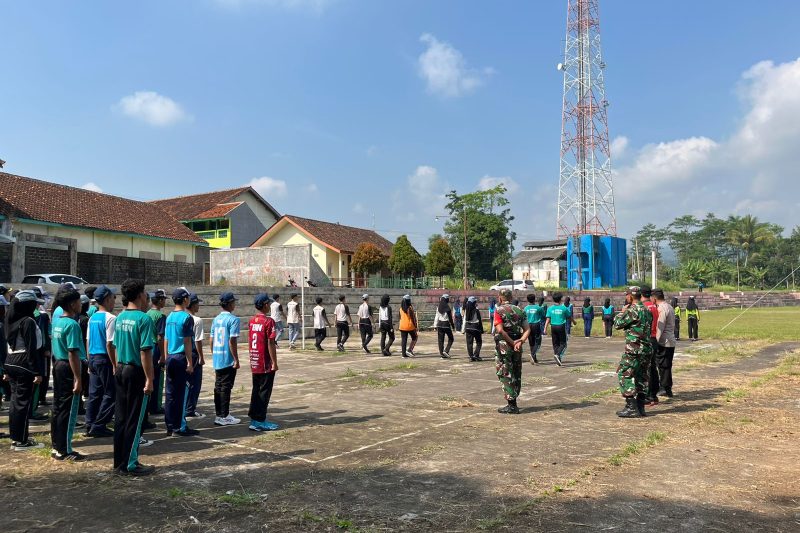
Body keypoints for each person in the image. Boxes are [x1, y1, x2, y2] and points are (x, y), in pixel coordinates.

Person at [112, 278, 156, 475]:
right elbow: (145, 352)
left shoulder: (120, 317)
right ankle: (130, 463)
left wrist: (115, 366)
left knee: (121, 417)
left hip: (121, 368)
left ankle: (119, 462)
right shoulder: (143, 319)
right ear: (139, 295)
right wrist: (149, 378)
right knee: (135, 418)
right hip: (135, 371)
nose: (147, 297)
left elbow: (112, 346)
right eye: (145, 293)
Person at [3, 290, 45, 450]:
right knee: (23, 404)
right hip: (23, 363)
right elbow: (31, 349)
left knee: (15, 402)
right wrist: (37, 372)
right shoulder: (27, 321)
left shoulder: (10, 320)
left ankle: (16, 438)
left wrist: (5, 369)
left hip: (11, 361)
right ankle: (21, 441)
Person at [50, 285, 87, 460]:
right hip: (68, 366)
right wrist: (78, 378)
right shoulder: (72, 325)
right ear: (73, 304)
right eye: (79, 301)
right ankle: (65, 450)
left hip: (58, 364)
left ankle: (56, 445)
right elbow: (73, 352)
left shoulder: (58, 321)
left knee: (58, 407)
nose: (81, 304)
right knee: (68, 409)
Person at [613, 286, 653, 418]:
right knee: (642, 377)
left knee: (625, 374)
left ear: (630, 296)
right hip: (646, 349)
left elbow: (618, 324)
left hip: (634, 349)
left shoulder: (632, 310)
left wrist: (621, 312)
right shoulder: (647, 310)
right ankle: (641, 407)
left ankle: (631, 406)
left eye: (627, 295)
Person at [164, 288, 197, 437]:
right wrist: (190, 362)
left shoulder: (170, 316)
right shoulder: (186, 317)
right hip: (181, 357)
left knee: (170, 394)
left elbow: (166, 339)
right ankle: (180, 426)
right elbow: (187, 341)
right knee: (182, 394)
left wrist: (166, 357)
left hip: (170, 356)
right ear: (185, 300)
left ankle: (170, 425)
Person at [84, 285, 117, 438]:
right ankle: (99, 424)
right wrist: (115, 364)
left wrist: (89, 360)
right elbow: (110, 344)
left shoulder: (93, 317)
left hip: (93, 358)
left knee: (94, 393)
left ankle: (89, 423)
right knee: (111, 393)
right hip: (105, 359)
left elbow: (88, 340)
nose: (114, 301)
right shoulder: (111, 318)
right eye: (113, 298)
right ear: (107, 299)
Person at [493, 289, 530, 414]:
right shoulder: (520, 310)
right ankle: (514, 400)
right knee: (516, 370)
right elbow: (527, 329)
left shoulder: (498, 310)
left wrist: (511, 342)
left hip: (505, 346)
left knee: (504, 372)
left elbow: (500, 331)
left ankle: (512, 404)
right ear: (511, 297)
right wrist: (520, 341)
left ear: (500, 298)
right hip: (517, 346)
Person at [248, 294, 279, 432]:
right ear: (265, 305)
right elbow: (271, 342)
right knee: (264, 392)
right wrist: (274, 362)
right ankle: (260, 420)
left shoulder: (252, 321)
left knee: (256, 390)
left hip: (255, 360)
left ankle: (254, 418)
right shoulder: (268, 321)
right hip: (265, 362)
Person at [210, 292, 241, 426]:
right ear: (229, 304)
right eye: (233, 302)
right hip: (227, 358)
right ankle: (224, 415)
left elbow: (211, 339)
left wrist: (214, 353)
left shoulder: (216, 319)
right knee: (226, 387)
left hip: (218, 356)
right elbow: (232, 340)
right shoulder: (233, 319)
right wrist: (236, 359)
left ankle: (219, 414)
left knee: (218, 386)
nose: (235, 304)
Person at [146, 289, 167, 416]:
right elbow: (160, 337)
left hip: (147, 347)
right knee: (158, 379)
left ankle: (148, 405)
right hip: (156, 348)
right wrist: (163, 355)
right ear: (160, 301)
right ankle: (156, 406)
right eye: (164, 299)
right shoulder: (160, 316)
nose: (165, 302)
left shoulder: (147, 314)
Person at [653, 289, 676, 399]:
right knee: (667, 365)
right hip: (670, 339)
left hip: (664, 341)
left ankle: (664, 388)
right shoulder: (669, 306)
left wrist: (655, 340)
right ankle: (667, 388)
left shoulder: (661, 308)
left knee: (663, 366)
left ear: (654, 298)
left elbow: (660, 327)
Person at [185, 293, 205, 419]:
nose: (198, 306)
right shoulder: (197, 320)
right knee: (195, 383)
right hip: (193, 353)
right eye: (197, 303)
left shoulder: (181, 317)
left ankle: (186, 407)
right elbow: (198, 340)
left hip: (182, 353)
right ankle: (190, 409)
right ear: (192, 305)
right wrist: (201, 357)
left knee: (186, 383)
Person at [543, 292, 575, 366]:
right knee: (563, 344)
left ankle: (558, 359)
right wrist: (574, 322)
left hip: (553, 327)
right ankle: (557, 355)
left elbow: (548, 319)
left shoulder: (550, 308)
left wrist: (545, 328)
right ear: (560, 299)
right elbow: (569, 317)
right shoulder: (563, 308)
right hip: (561, 326)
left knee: (555, 344)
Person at [641, 287, 660, 407]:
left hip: (647, 339)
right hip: (654, 338)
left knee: (646, 369)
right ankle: (653, 394)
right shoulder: (654, 307)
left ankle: (649, 396)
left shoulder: (643, 307)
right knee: (653, 368)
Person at [523, 293, 543, 364]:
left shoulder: (525, 308)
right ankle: (533, 354)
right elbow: (542, 315)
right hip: (536, 324)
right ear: (534, 299)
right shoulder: (538, 308)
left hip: (528, 325)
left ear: (527, 300)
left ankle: (534, 358)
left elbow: (523, 318)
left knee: (531, 342)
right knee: (538, 341)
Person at [461, 296, 483, 362]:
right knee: (479, 342)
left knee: (469, 343)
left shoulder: (467, 310)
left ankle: (471, 356)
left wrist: (463, 330)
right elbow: (479, 320)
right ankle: (476, 355)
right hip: (475, 327)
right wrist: (481, 329)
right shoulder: (476, 310)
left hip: (468, 327)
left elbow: (464, 320)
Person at [434, 294, 455, 359]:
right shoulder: (448, 308)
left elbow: (436, 317)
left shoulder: (438, 307)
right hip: (446, 325)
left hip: (439, 325)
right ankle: (446, 351)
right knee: (451, 338)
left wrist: (435, 325)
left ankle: (442, 355)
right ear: (446, 299)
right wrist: (453, 326)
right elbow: (450, 318)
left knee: (440, 340)